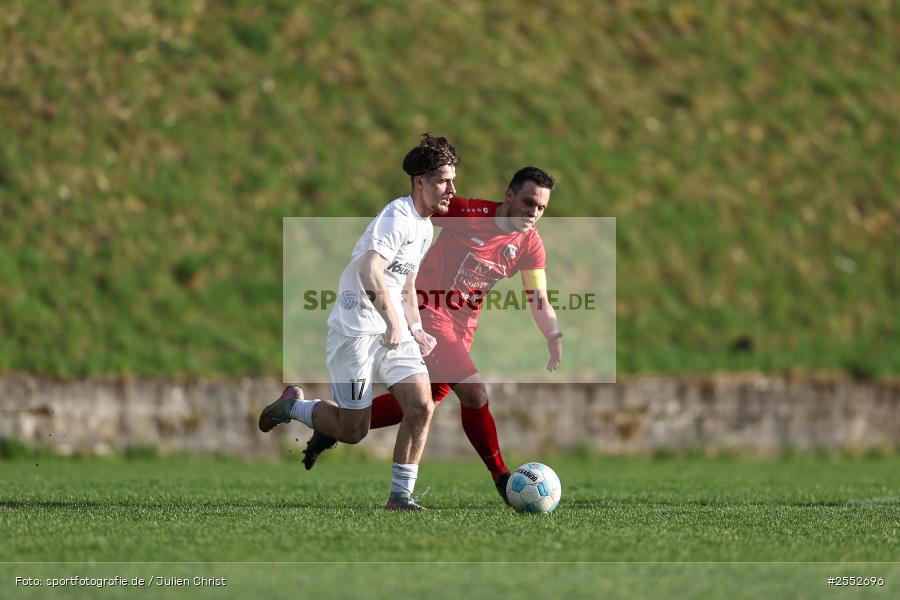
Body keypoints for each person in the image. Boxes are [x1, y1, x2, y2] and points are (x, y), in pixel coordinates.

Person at [301, 166, 562, 504]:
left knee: (413, 406)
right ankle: (501, 476)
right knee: (474, 393)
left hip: (462, 328)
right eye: (529, 203)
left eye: (542, 208)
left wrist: (552, 332)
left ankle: (330, 423)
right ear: (509, 195)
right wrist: (385, 271)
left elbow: (537, 297)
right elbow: (417, 214)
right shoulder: (467, 213)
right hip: (426, 313)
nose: (534, 213)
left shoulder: (530, 244)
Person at [258, 133, 461, 511]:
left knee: (421, 406)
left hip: (393, 330)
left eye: (452, 180)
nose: (452, 189)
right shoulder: (398, 217)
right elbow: (371, 269)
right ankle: (293, 407)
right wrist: (392, 322)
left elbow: (407, 283)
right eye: (443, 181)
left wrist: (414, 330)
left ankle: (400, 497)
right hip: (355, 331)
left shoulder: (426, 226)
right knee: (354, 431)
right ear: (419, 183)